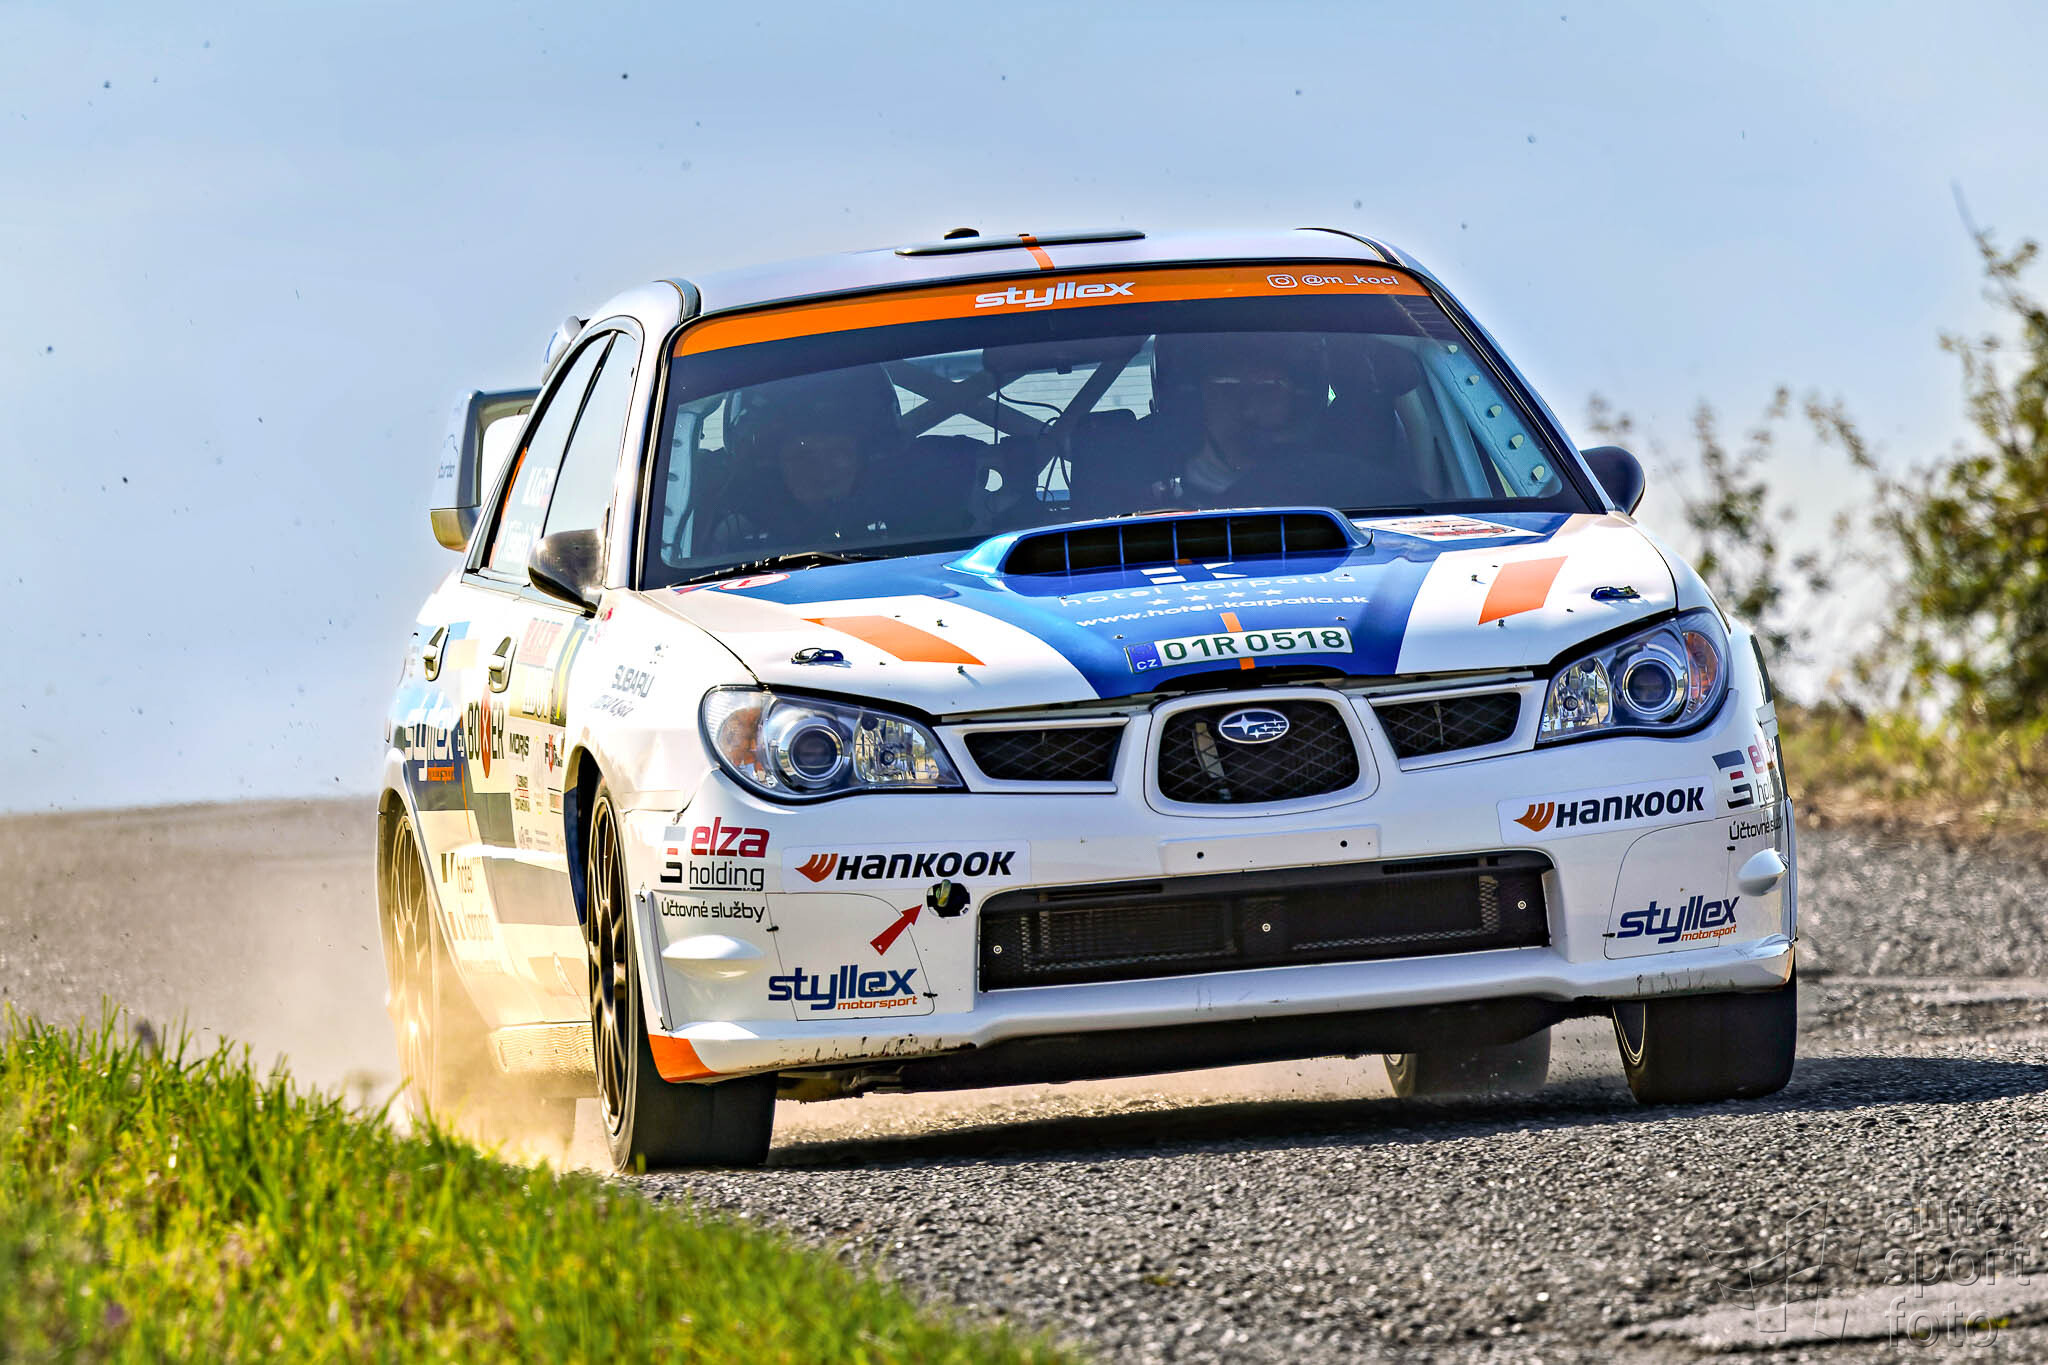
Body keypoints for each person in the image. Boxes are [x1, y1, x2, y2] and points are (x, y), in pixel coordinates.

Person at [707, 367, 896, 551]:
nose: (823, 472)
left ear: (864, 461)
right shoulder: (732, 540)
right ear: (774, 468)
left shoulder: (906, 527)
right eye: (803, 456)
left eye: (838, 453)